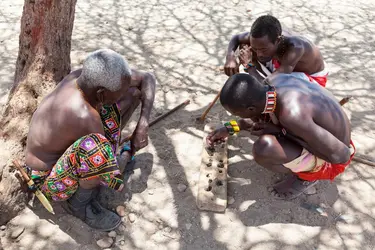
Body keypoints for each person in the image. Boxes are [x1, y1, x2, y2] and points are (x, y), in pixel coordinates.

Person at [25, 49, 156, 231]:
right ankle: (78, 205)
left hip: (68, 149)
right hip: (48, 180)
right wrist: (127, 152)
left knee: (132, 93)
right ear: (101, 93)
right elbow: (109, 174)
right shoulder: (84, 116)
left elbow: (147, 78)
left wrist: (143, 123)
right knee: (98, 152)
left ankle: (105, 156)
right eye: (115, 94)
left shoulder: (82, 76)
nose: (120, 95)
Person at [207, 73, 355, 200]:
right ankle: (297, 156)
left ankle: (307, 177)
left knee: (264, 148)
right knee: (261, 121)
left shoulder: (291, 115)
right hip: (319, 134)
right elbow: (254, 120)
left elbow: (341, 156)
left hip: (332, 155)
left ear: (250, 108)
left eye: (238, 114)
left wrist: (280, 132)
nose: (239, 117)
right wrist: (229, 128)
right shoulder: (273, 81)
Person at [224, 15, 329, 87]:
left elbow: (269, 85)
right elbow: (236, 38)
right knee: (244, 45)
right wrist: (230, 58)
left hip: (310, 78)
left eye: (263, 49)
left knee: (275, 90)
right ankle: (262, 74)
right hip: (282, 66)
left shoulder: (295, 48)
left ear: (278, 40)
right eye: (256, 49)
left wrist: (248, 66)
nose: (259, 54)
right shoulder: (261, 39)